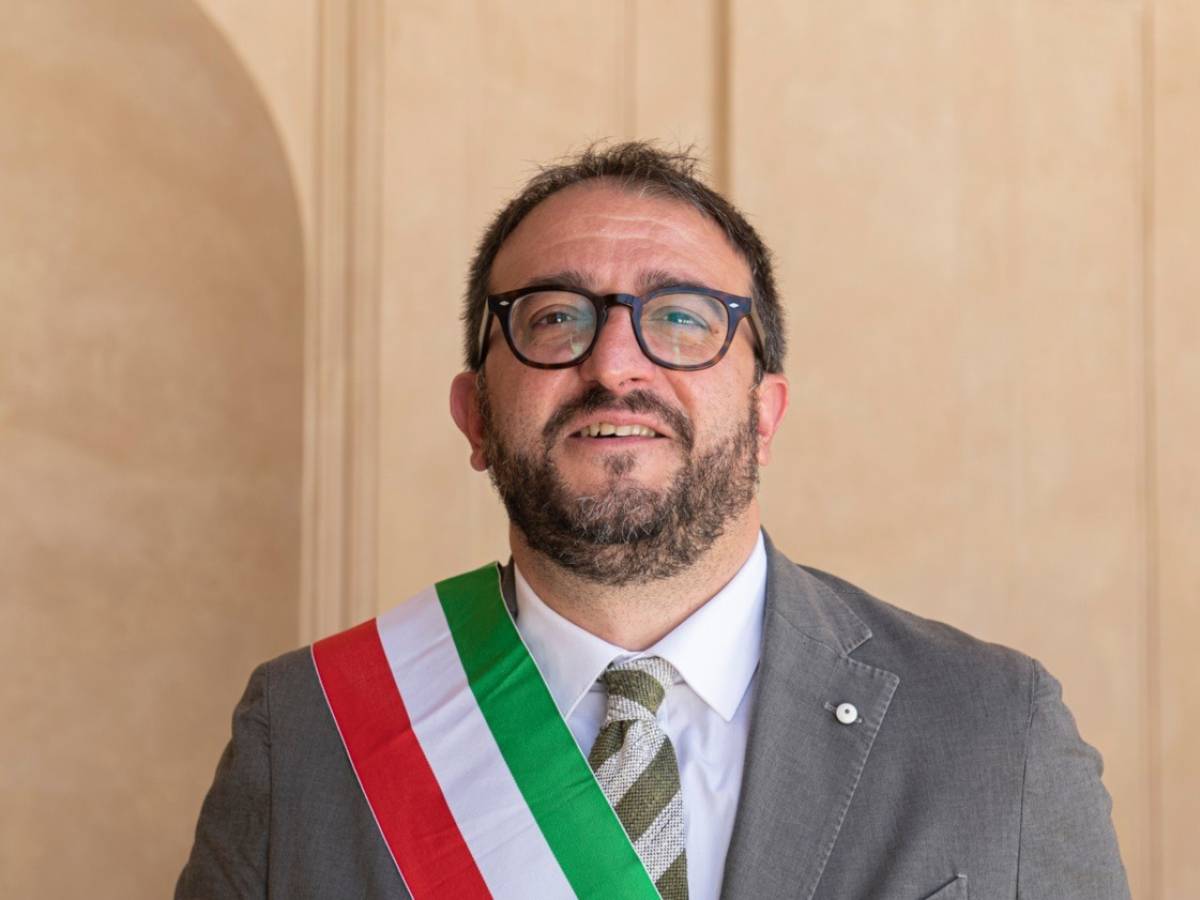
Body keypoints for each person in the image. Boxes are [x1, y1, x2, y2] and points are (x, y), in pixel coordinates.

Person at [176, 143, 1130, 899]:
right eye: (554, 318)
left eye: (681, 318)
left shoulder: (994, 731)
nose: (615, 364)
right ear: (475, 418)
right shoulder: (307, 735)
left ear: (764, 416)